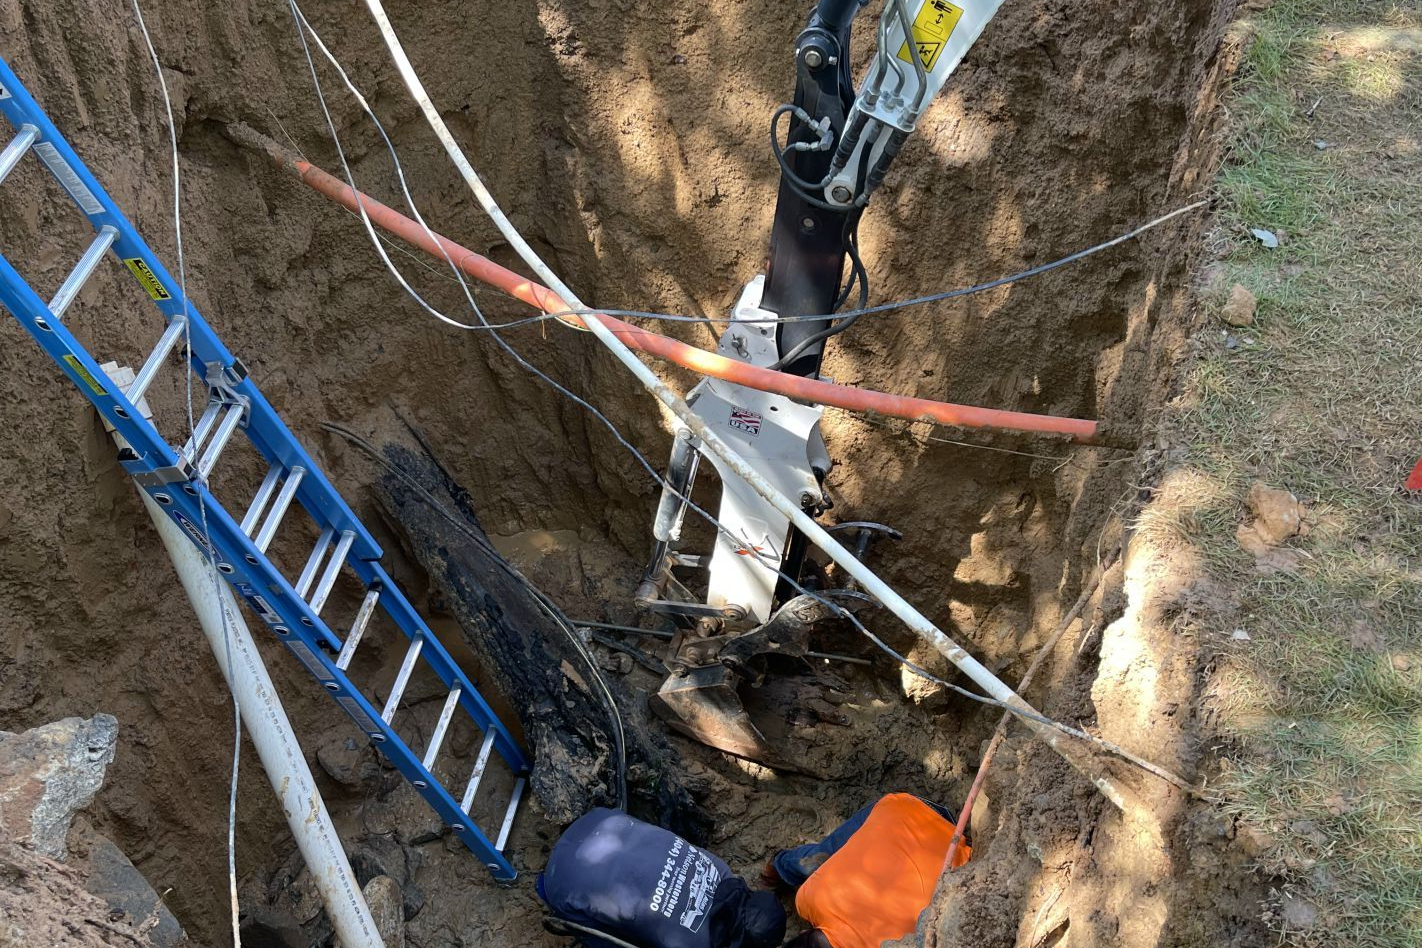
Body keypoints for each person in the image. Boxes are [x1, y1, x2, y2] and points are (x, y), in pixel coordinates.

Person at [539, 807, 787, 948]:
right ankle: (553, 896)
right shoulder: (693, 943)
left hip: (602, 821)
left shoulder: (721, 870)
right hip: (562, 877)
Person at [766, 793, 972, 948]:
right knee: (821, 857)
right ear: (803, 933)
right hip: (906, 808)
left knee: (823, 861)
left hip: (957, 848)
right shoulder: (808, 899)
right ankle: (777, 866)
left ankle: (778, 866)